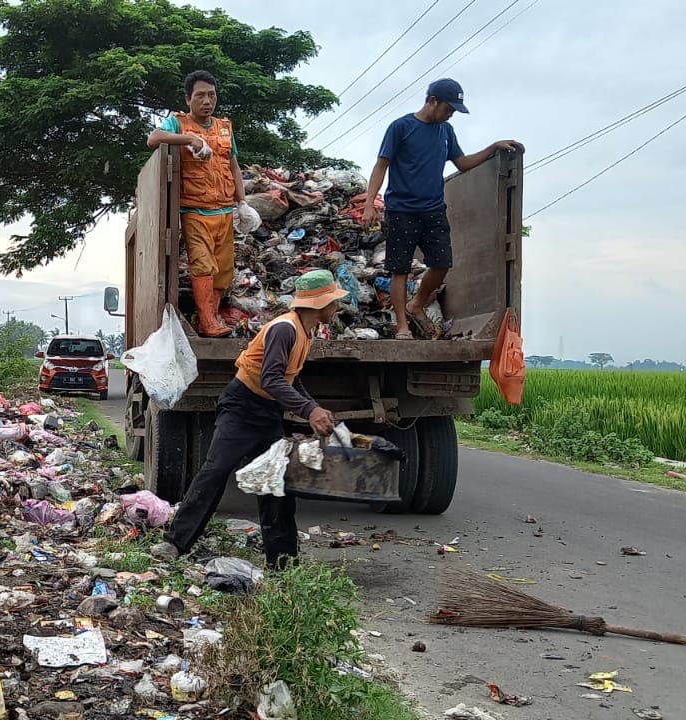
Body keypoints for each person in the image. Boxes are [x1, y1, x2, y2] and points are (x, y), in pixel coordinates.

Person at [151, 270, 350, 569]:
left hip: (267, 412)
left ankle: (282, 561)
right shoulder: (285, 329)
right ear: (320, 303)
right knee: (216, 470)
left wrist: (312, 406)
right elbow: (271, 379)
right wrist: (310, 411)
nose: (337, 307)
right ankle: (174, 542)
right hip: (242, 407)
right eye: (333, 300)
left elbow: (289, 378)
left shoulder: (304, 332)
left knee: (273, 480)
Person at [360, 78, 517, 340]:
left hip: (433, 209)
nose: (451, 113)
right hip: (401, 209)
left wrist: (492, 148)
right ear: (432, 101)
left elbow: (463, 163)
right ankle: (402, 326)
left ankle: (416, 304)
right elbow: (381, 165)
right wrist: (369, 203)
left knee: (442, 263)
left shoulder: (446, 131)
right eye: (448, 108)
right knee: (399, 269)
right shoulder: (401, 127)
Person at [147, 70, 248, 338]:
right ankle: (207, 321)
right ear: (188, 99)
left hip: (224, 209)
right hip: (194, 210)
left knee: (224, 270)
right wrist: (190, 139)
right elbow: (153, 139)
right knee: (203, 265)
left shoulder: (225, 127)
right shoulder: (178, 123)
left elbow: (233, 164)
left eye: (211, 95)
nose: (207, 101)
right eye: (200, 95)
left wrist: (243, 202)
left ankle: (212, 317)